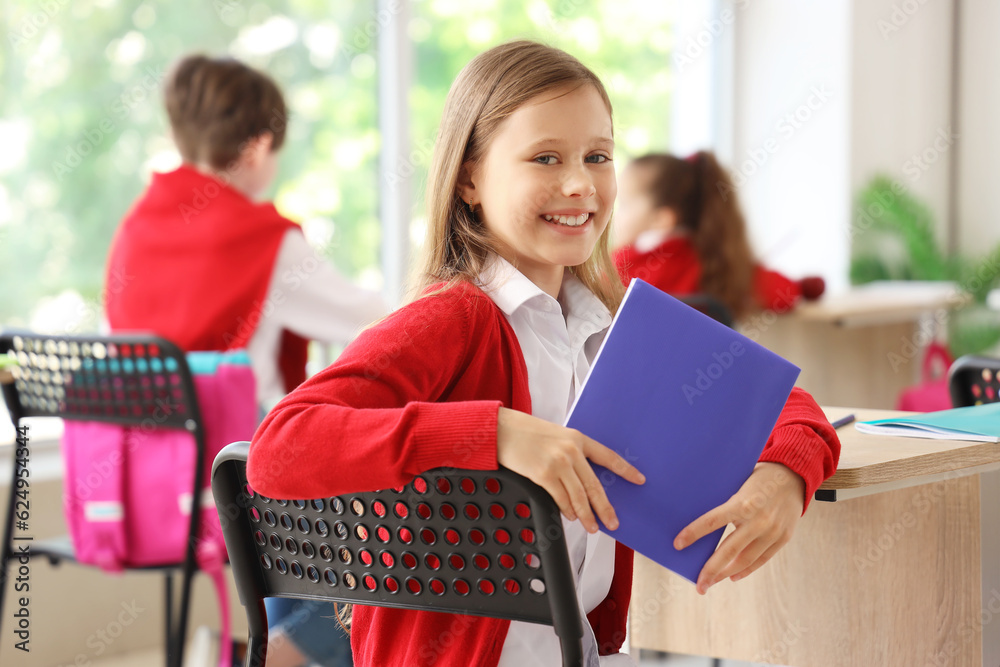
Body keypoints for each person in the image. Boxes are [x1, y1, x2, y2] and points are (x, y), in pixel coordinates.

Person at [247, 41, 841, 667]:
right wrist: (497, 432)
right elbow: (279, 448)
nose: (580, 183)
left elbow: (786, 406)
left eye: (598, 156)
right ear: (470, 178)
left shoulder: (611, 321)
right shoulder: (451, 319)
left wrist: (783, 478)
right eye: (545, 157)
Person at [104, 54, 383, 667]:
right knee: (376, 562)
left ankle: (257, 646)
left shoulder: (137, 227)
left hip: (149, 472)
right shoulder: (263, 239)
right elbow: (375, 321)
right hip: (238, 467)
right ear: (258, 147)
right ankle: (277, 654)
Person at [613, 151, 825, 321]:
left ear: (662, 219)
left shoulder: (619, 266)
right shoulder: (719, 262)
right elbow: (781, 293)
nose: (615, 215)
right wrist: (803, 287)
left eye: (623, 205)